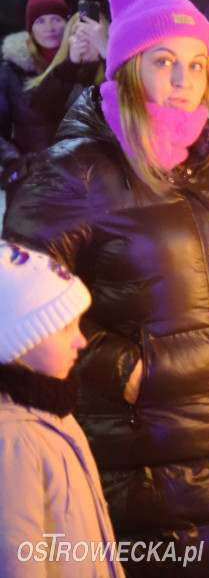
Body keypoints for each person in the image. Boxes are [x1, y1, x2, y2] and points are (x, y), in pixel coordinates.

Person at [2, 0, 209, 577]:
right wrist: (126, 368)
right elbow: (19, 304)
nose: (181, 78)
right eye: (163, 60)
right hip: (153, 470)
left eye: (195, 64)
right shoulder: (78, 172)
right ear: (127, 66)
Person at [0, 240, 124, 577]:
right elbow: (17, 561)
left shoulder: (54, 412)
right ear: (19, 340)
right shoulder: (13, 440)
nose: (81, 340)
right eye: (64, 327)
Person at [0, 0, 70, 188]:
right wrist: (18, 164)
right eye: (40, 21)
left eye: (56, 19)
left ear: (68, 23)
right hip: (31, 181)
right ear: (30, 29)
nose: (49, 27)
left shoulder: (83, 64)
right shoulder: (12, 71)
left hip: (76, 179)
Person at [25, 10, 109, 156]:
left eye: (92, 32)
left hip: (107, 164)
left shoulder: (116, 73)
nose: (86, 38)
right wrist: (71, 63)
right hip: (64, 164)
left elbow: (125, 103)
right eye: (78, 31)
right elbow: (43, 111)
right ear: (69, 39)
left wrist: (107, 54)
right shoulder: (62, 73)